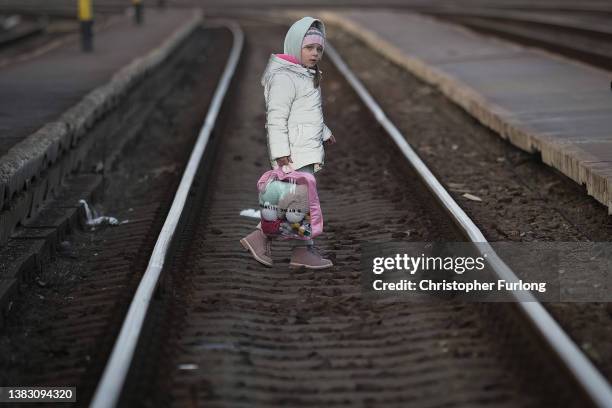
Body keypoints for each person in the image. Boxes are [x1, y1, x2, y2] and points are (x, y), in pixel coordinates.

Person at [240, 16, 336, 270]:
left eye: (319, 49)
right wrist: (282, 152)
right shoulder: (285, 77)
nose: (315, 54)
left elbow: (306, 112)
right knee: (297, 200)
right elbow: (276, 118)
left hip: (304, 146)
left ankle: (266, 240)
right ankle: (301, 251)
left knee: (292, 200)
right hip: (294, 151)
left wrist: (324, 132)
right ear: (294, 46)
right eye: (309, 48)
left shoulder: (303, 74)